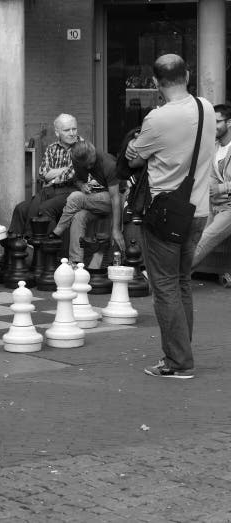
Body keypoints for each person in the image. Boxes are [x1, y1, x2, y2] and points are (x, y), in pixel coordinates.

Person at [125, 54, 213, 379]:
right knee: (182, 282)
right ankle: (182, 352)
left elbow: (134, 159)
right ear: (187, 75)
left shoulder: (157, 119)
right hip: (199, 211)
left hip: (164, 215)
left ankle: (177, 361)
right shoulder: (205, 108)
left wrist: (136, 145)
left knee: (164, 286)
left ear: (154, 83)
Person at [48, 140, 125, 263]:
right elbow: (78, 180)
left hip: (118, 198)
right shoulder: (78, 160)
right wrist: (82, 185)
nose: (89, 167)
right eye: (86, 165)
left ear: (93, 152)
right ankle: (76, 262)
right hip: (99, 199)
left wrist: (116, 230)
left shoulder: (108, 164)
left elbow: (115, 198)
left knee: (76, 197)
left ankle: (56, 233)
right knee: (78, 216)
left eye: (91, 163)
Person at [9, 114, 80, 237]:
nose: (72, 133)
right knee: (20, 208)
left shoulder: (82, 146)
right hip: (51, 190)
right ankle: (14, 244)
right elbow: (43, 173)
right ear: (57, 133)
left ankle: (31, 238)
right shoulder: (51, 148)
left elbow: (72, 174)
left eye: (74, 129)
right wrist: (64, 169)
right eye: (67, 130)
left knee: (42, 205)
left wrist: (53, 176)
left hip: (72, 191)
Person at [191, 103, 231, 286]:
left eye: (217, 121)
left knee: (205, 238)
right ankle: (177, 276)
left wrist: (222, 189)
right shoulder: (215, 147)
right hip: (215, 204)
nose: (213, 126)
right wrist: (215, 191)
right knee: (194, 236)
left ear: (229, 123)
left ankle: (167, 277)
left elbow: (219, 186)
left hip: (229, 208)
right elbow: (211, 178)